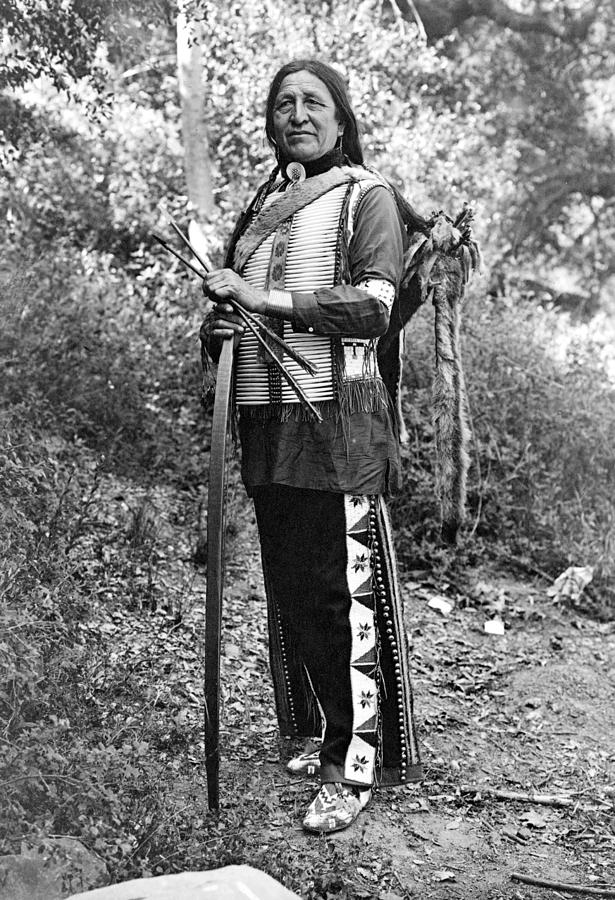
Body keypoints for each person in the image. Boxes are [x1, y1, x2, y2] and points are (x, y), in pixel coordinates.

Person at [201, 58, 422, 834]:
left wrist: (261, 297)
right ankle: (330, 726)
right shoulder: (263, 209)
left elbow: (372, 305)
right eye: (282, 103)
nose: (295, 114)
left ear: (339, 116)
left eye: (312, 102)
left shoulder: (369, 198)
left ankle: (355, 763)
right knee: (295, 592)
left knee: (338, 597)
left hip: (337, 424)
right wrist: (223, 322)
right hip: (267, 423)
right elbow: (231, 318)